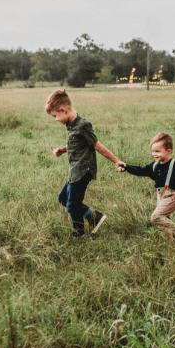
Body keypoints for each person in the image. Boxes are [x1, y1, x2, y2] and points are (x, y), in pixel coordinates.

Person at [45, 89, 123, 240]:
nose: (55, 119)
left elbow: (97, 145)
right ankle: (93, 216)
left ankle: (79, 233)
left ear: (63, 110)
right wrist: (63, 149)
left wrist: (116, 161)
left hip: (83, 171)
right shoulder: (71, 125)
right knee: (63, 198)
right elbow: (77, 143)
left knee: (72, 205)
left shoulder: (83, 125)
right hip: (74, 171)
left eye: (55, 116)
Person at [117, 133, 175, 243]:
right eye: (153, 151)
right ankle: (170, 244)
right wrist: (126, 166)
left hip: (171, 196)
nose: (154, 154)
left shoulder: (174, 164)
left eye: (157, 151)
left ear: (168, 151)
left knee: (156, 217)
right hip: (160, 196)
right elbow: (140, 170)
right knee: (163, 223)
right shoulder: (154, 165)